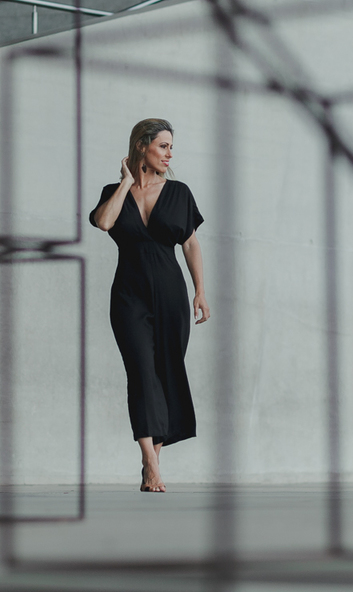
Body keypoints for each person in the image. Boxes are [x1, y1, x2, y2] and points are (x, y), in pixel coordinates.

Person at [89, 118, 209, 493]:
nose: (169, 154)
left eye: (171, 147)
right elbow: (104, 223)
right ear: (142, 146)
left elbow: (190, 243)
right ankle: (150, 463)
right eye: (163, 146)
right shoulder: (114, 192)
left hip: (171, 295)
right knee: (140, 373)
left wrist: (200, 290)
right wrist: (126, 182)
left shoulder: (179, 192)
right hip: (129, 296)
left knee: (164, 374)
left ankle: (152, 463)